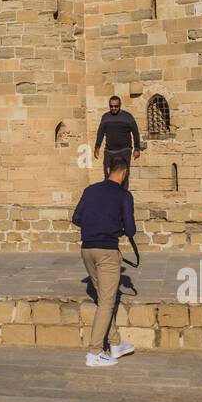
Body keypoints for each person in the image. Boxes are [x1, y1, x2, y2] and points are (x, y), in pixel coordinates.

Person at [71, 157, 137, 367]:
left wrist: (96, 223)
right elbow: (131, 229)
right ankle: (95, 352)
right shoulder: (124, 195)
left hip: (87, 250)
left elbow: (76, 218)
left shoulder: (90, 190)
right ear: (125, 173)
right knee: (108, 302)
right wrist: (115, 227)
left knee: (103, 299)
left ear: (108, 169)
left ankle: (115, 344)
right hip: (107, 252)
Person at [94, 97, 141, 189]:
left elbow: (135, 132)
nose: (113, 108)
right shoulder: (105, 117)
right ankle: (110, 196)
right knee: (108, 176)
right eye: (111, 106)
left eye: (116, 106)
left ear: (120, 105)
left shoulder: (127, 117)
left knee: (124, 176)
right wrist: (97, 146)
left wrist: (137, 148)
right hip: (109, 151)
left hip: (124, 150)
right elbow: (100, 132)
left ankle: (122, 196)